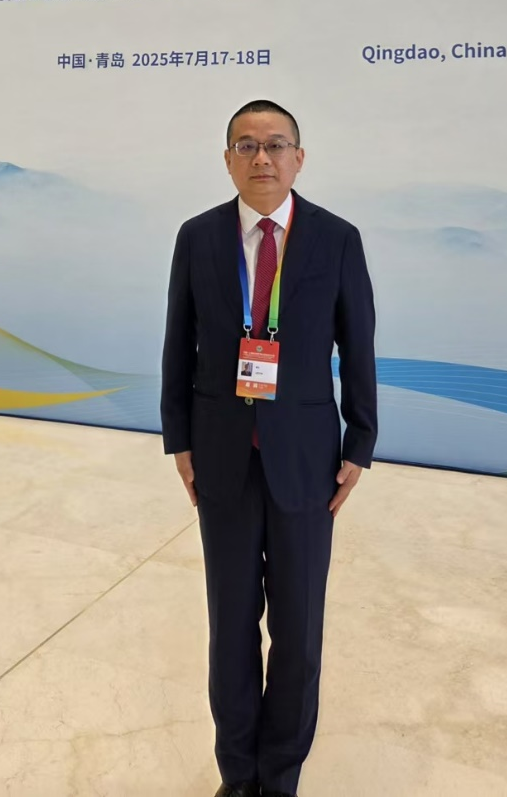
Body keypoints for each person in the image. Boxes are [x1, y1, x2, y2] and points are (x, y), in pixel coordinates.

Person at [161, 100, 378, 797]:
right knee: (230, 627)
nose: (262, 158)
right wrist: (178, 437)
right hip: (222, 458)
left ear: (299, 158)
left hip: (308, 462)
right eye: (247, 145)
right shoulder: (198, 237)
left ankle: (280, 776)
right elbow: (178, 342)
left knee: (297, 628)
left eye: (276, 145)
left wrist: (361, 441)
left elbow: (359, 345)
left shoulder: (336, 239)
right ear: (227, 159)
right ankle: (238, 774)